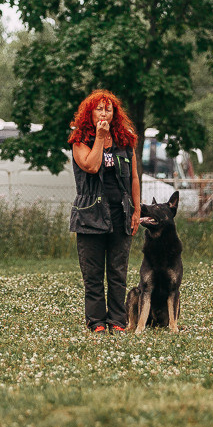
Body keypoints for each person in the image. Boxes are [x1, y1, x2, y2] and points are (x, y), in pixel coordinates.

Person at [68, 90, 141, 334]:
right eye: (99, 109)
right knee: (93, 273)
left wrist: (136, 210)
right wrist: (99, 138)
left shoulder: (125, 141)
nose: (104, 113)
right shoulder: (80, 140)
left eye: (108, 109)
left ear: (114, 114)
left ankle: (118, 320)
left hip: (120, 213)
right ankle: (96, 322)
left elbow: (134, 177)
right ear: (89, 113)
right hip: (90, 215)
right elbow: (91, 166)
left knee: (118, 272)